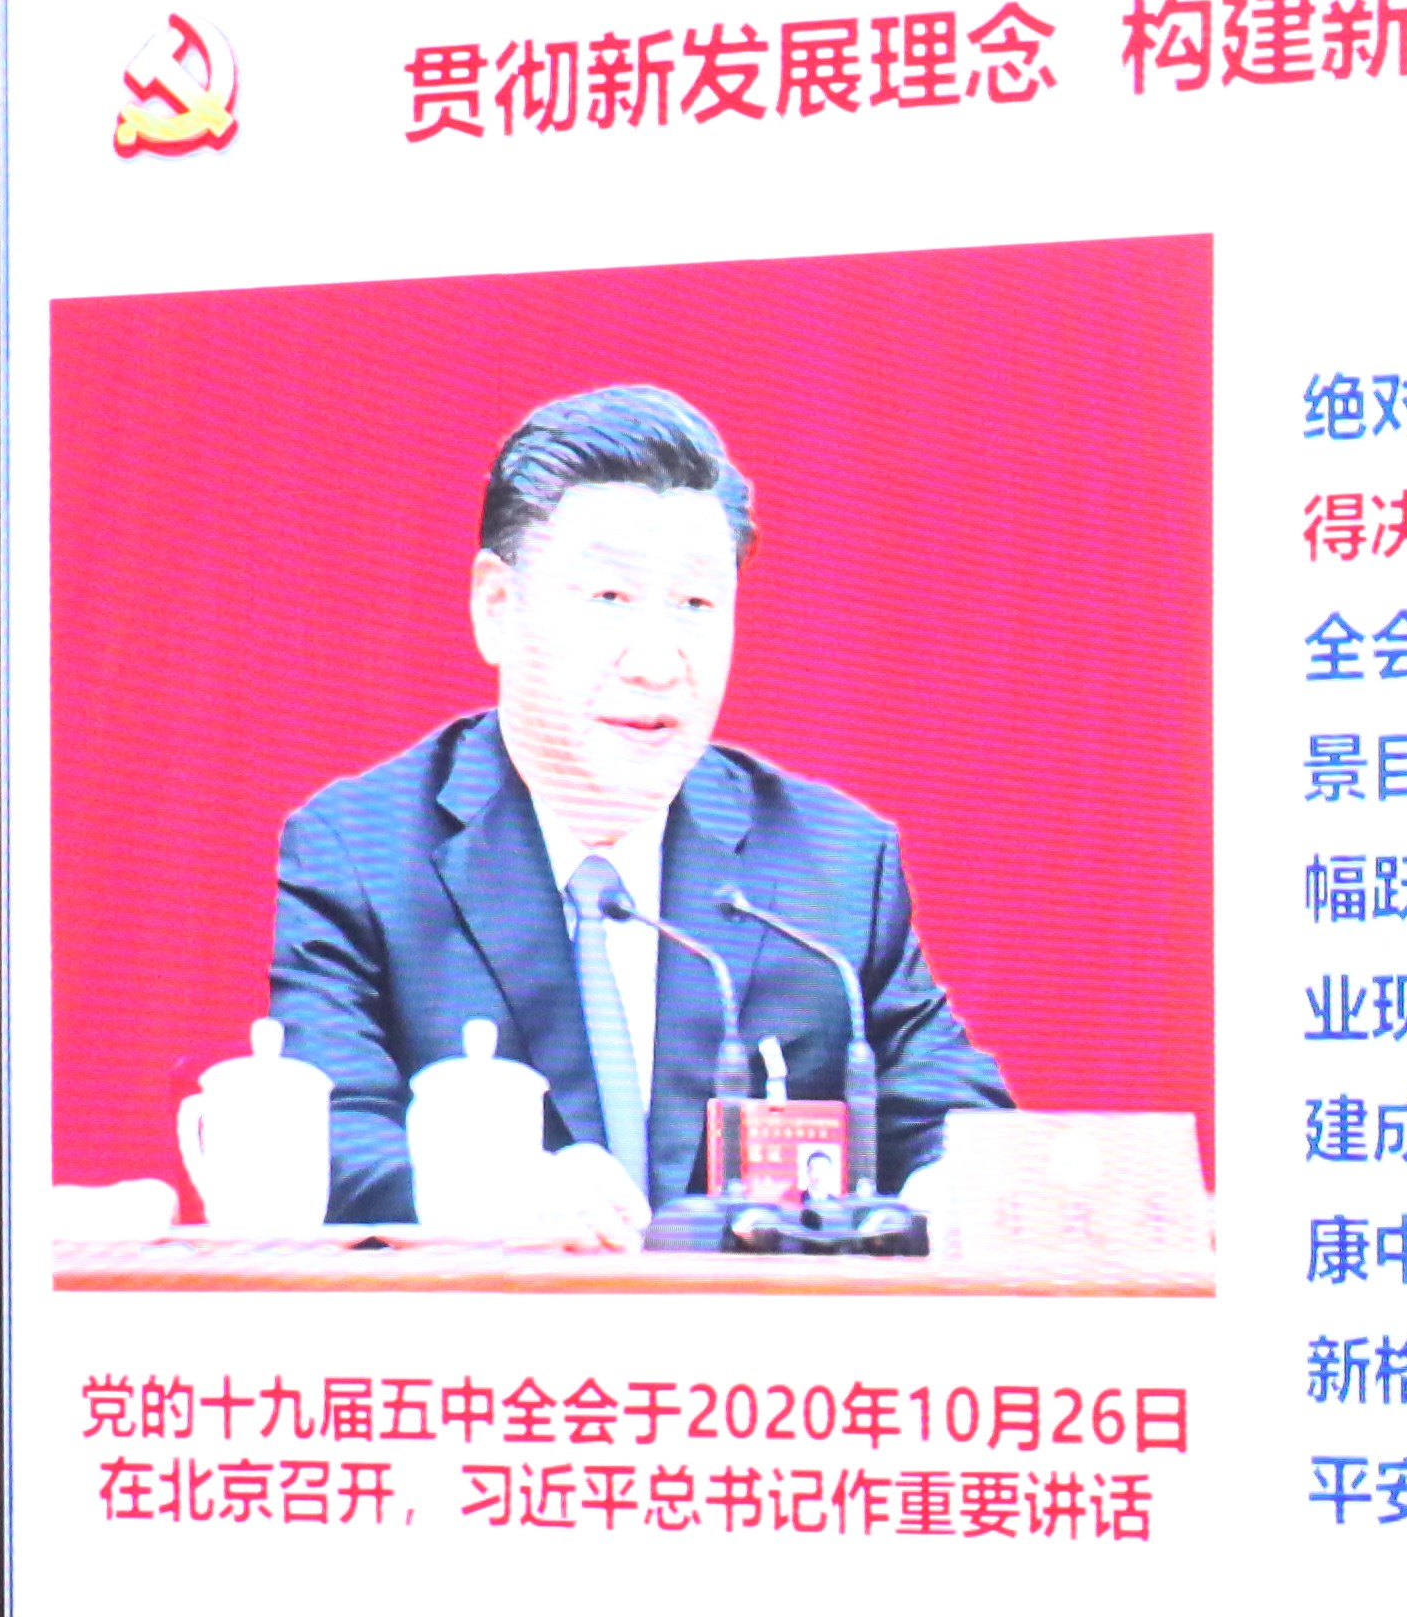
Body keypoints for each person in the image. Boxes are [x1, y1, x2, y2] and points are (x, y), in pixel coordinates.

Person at [271, 385, 1009, 1232]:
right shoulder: (362, 850)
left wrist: (954, 1191)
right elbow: (325, 1132)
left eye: (696, 606)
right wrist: (490, 1195)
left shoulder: (833, 861)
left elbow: (953, 1116)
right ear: (497, 609)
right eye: (609, 600)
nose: (658, 662)